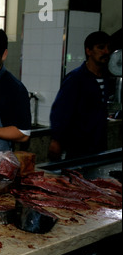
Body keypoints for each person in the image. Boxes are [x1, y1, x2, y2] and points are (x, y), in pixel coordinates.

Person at [48, 31, 112, 161]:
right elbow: (60, 110)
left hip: (98, 147)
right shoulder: (76, 78)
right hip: (77, 148)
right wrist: (56, 140)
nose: (106, 52)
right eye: (100, 47)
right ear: (89, 51)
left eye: (108, 48)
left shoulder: (107, 79)